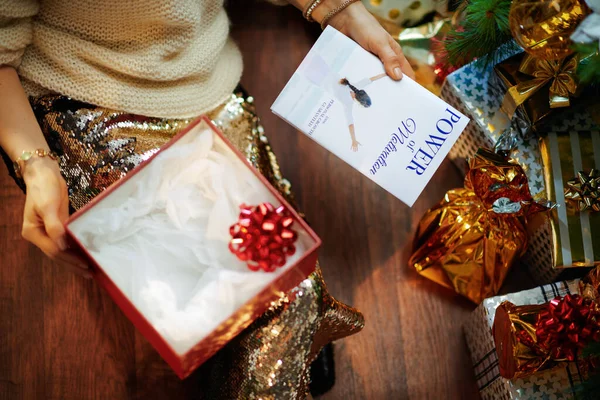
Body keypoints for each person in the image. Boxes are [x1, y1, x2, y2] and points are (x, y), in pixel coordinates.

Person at [0, 0, 414, 397]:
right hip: (85, 94)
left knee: (285, 294)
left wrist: (342, 11)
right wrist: (35, 163)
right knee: (279, 300)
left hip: (205, 83)